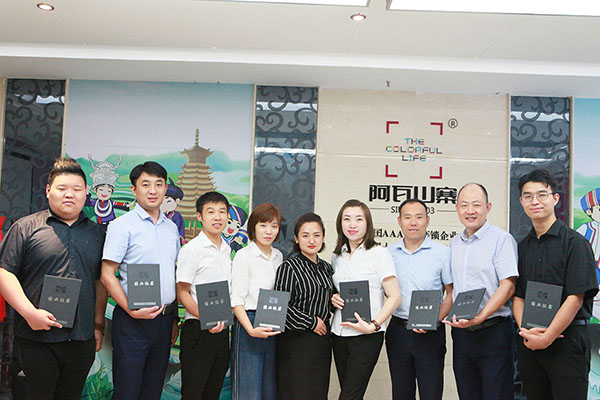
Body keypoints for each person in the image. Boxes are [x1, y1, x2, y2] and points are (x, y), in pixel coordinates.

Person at [0, 158, 107, 400]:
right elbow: (4, 273)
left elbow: (100, 282)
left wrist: (97, 326)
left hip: (80, 340)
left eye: (77, 189)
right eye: (62, 188)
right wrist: (29, 313)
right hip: (35, 338)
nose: (69, 194)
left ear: (86, 192)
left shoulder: (97, 234)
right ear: (48, 190)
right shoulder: (26, 228)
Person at [513, 169, 597, 400]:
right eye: (528, 196)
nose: (535, 201)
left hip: (567, 343)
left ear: (555, 198)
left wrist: (548, 336)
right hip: (530, 343)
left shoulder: (576, 244)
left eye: (542, 194)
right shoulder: (522, 247)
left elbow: (576, 297)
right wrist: (526, 331)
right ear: (521, 202)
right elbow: (518, 295)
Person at [100, 161, 180, 400]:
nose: (153, 190)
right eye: (146, 184)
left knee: (153, 389)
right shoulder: (121, 226)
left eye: (158, 184)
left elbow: (173, 274)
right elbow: (107, 274)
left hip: (164, 321)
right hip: (132, 322)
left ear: (165, 189)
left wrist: (174, 318)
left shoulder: (171, 228)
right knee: (128, 390)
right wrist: (130, 310)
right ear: (134, 190)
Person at [443, 183, 518, 400]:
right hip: (462, 335)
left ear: (488, 207)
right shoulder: (454, 244)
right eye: (464, 205)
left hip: (494, 331)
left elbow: (508, 286)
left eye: (476, 205)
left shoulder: (501, 239)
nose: (470, 211)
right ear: (457, 208)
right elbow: (452, 290)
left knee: (497, 395)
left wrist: (480, 317)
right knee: (467, 394)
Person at [330, 199, 402, 400]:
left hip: (366, 336)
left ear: (367, 223)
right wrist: (334, 297)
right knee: (351, 393)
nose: (352, 224)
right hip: (339, 333)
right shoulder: (338, 255)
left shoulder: (379, 253)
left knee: (349, 396)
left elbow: (395, 296)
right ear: (340, 223)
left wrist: (374, 325)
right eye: (347, 219)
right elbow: (336, 290)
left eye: (359, 219)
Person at [386, 199, 453, 400]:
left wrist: (434, 320)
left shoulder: (443, 253)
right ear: (399, 221)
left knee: (431, 393)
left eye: (419, 217)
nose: (413, 222)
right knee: (401, 393)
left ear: (427, 220)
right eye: (407, 217)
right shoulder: (388, 254)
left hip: (430, 335)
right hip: (398, 331)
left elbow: (451, 293)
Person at [176, 191, 232, 400]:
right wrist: (207, 318)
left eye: (222, 212)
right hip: (198, 330)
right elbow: (182, 291)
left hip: (221, 331)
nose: (217, 217)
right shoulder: (192, 249)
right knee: (193, 393)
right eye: (211, 212)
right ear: (199, 216)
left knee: (212, 392)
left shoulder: (227, 250)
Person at [274, 212, 335, 400]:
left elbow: (329, 300)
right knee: (296, 392)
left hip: (322, 342)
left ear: (323, 237)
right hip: (296, 342)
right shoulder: (288, 267)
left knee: (318, 392)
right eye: (305, 235)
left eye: (316, 235)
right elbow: (280, 308)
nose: (311, 240)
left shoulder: (327, 268)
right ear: (296, 238)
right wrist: (311, 322)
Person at [230, 202, 283, 400]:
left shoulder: (278, 256)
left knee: (269, 388)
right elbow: (237, 300)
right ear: (253, 228)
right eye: (263, 225)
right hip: (248, 323)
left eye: (274, 226)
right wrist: (250, 329)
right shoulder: (244, 256)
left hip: (272, 323)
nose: (269, 231)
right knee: (248, 389)